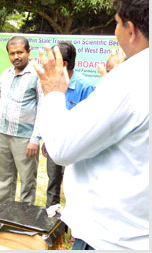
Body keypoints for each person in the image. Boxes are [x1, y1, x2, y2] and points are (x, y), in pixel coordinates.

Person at [33, 0, 148, 250]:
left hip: (112, 238)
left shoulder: (129, 80)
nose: (115, 30)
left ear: (130, 29)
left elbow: (60, 147)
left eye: (117, 23)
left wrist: (53, 92)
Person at [41, 41, 94, 208]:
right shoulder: (50, 83)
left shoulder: (84, 86)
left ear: (63, 64)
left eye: (52, 60)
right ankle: (53, 225)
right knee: (53, 184)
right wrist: (46, 140)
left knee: (75, 187)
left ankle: (73, 228)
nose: (48, 63)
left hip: (76, 147)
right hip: (54, 143)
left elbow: (89, 122)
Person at [0, 36, 43, 206]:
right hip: (4, 134)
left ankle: (25, 220)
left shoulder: (38, 75)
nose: (16, 57)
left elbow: (43, 108)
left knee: (27, 180)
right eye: (12, 53)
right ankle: (4, 216)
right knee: (3, 177)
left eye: (20, 52)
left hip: (25, 138)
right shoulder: (6, 74)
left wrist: (35, 139)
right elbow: (2, 106)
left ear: (28, 52)